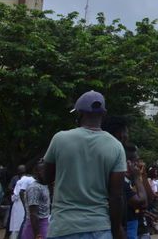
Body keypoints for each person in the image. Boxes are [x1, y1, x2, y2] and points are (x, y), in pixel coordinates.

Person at [44, 90, 127, 239]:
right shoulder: (116, 146)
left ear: (79, 114)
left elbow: (46, 177)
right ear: (103, 114)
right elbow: (116, 196)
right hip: (99, 227)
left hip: (63, 227)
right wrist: (116, 230)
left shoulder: (60, 139)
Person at [21, 162, 50, 239]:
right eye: (42, 170)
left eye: (46, 171)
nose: (45, 173)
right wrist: (37, 235)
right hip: (36, 227)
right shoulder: (34, 188)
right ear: (36, 173)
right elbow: (33, 214)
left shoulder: (44, 185)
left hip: (44, 224)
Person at [9, 166, 31, 239]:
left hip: (19, 205)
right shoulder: (31, 179)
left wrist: (12, 198)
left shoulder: (19, 181)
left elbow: (15, 195)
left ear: (18, 172)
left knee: (17, 225)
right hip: (28, 204)